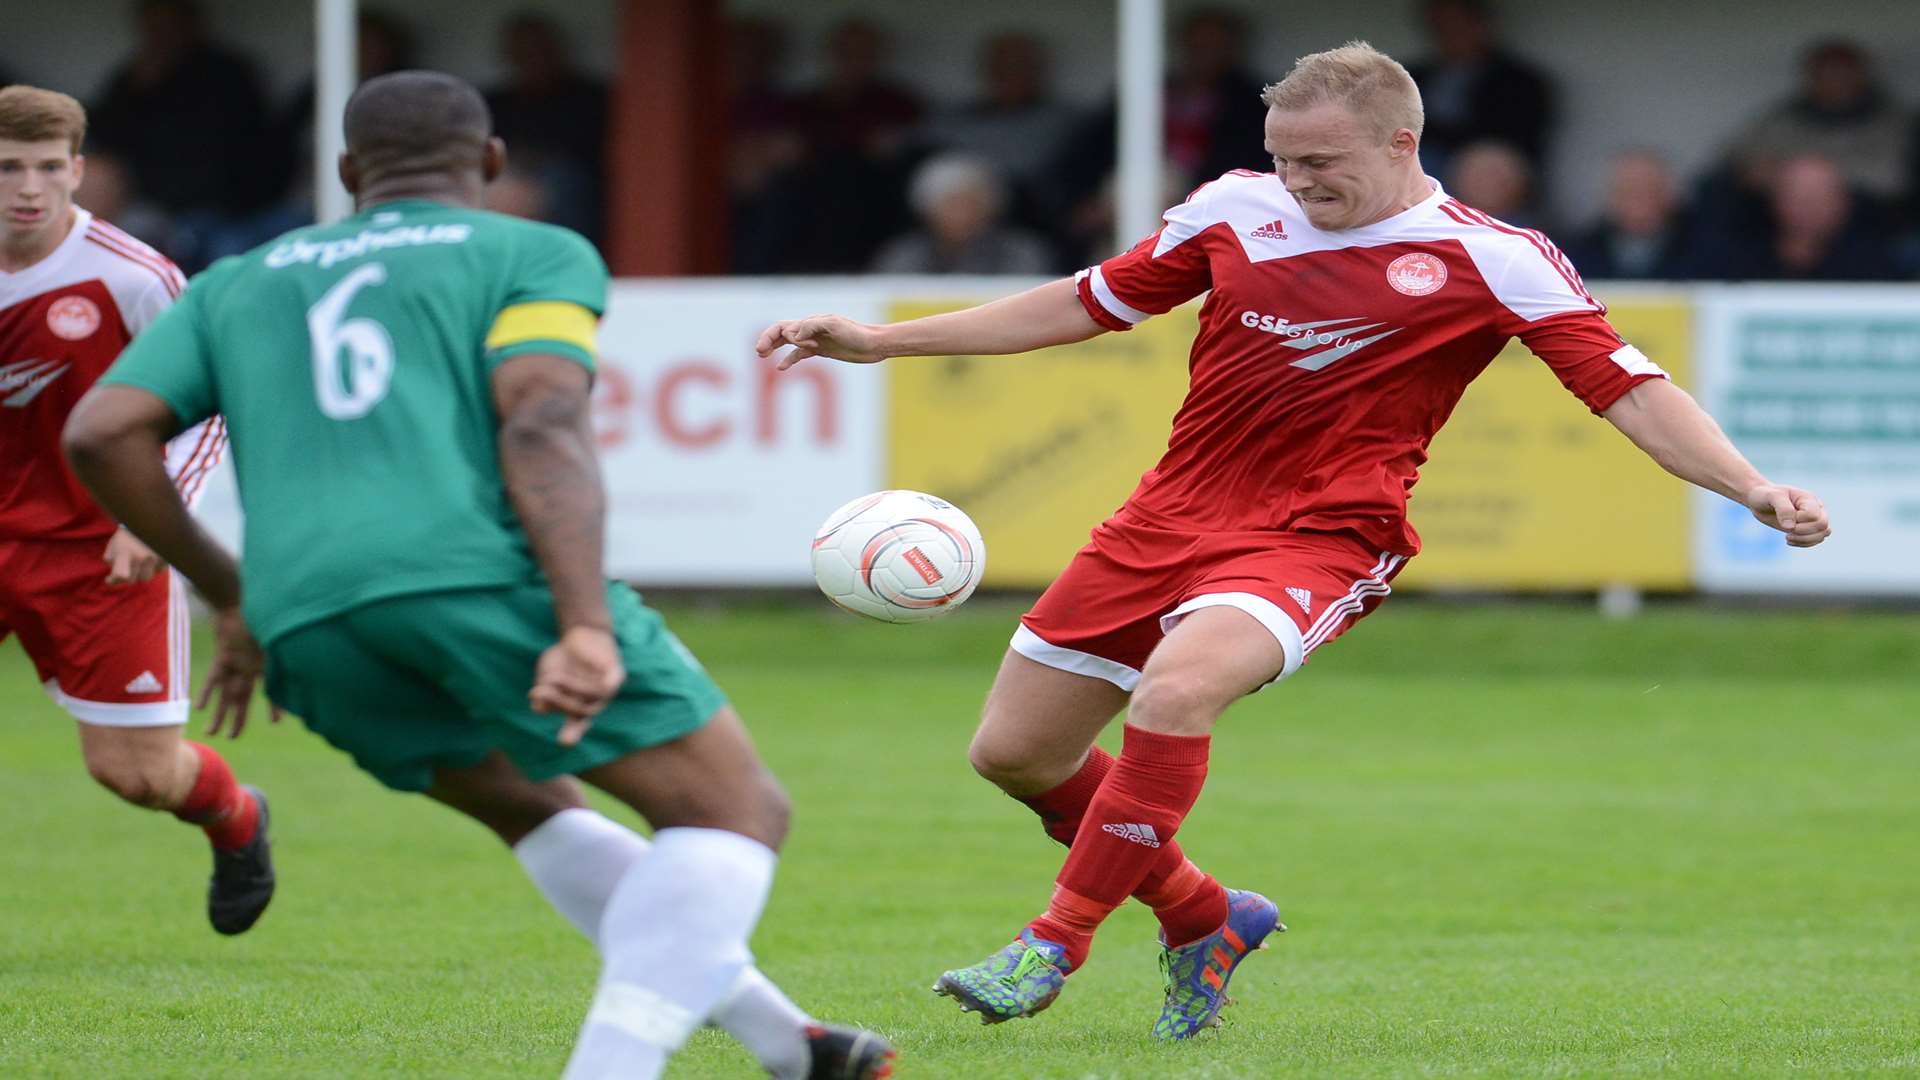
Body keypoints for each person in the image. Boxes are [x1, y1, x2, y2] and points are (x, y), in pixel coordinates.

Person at [755, 41, 1832, 1040]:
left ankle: (1053, 944)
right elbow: (1090, 303)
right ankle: (1206, 915)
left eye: (1322, 161)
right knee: (1015, 754)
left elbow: (1630, 391)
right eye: (1284, 159)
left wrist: (1749, 488)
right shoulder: (1234, 208)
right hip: (1167, 515)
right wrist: (884, 341)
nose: (1301, 182)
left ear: (1401, 144)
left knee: (1176, 696)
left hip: (1322, 532)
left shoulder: (1491, 256)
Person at [61, 72, 893, 1080]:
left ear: (347, 174)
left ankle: (789, 1047)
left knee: (533, 806)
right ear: (492, 162)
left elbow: (103, 433)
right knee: (734, 811)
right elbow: (541, 419)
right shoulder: (526, 250)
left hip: (304, 623)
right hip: (473, 580)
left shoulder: (242, 279)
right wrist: (583, 621)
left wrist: (229, 589)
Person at [0, 85, 261, 933]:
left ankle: (239, 819)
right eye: (7, 168)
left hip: (95, 551)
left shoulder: (133, 276)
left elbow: (209, 407)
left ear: (79, 171)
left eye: (47, 167)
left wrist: (149, 518)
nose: (28, 188)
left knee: (136, 775)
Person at [1405, 0, 1554, 180]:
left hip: (1479, 167)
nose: (1450, 34)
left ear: (1480, 26)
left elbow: (1509, 137)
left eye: (1457, 26)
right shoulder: (1413, 76)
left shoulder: (1518, 81)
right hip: (1415, 158)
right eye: (1441, 27)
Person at [870, 155, 1053, 275]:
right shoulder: (902, 255)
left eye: (973, 203)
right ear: (927, 211)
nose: (964, 214)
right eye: (952, 204)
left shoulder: (1023, 252)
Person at [1560, 150, 1696, 281]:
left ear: (1669, 195)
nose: (1638, 202)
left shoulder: (1706, 252)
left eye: (1649, 190)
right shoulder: (1575, 255)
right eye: (1628, 191)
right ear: (1610, 197)